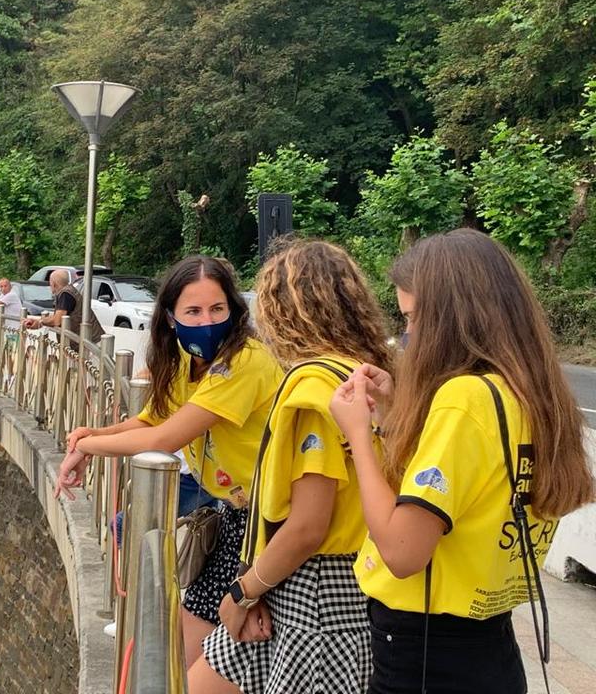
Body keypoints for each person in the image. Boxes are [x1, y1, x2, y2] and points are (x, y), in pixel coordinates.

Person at [329, 229, 594, 694]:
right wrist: (391, 415)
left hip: (425, 653)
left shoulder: (464, 399)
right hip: (491, 643)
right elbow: (467, 494)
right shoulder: (534, 394)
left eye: (413, 319)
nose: (407, 336)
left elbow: (402, 551)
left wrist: (359, 436)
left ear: (451, 319)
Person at [190, 240, 394, 694]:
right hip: (329, 578)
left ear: (283, 312)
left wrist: (243, 591)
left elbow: (307, 526)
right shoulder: (366, 377)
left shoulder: (314, 389)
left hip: (316, 591)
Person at [60, 255, 282, 666]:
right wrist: (92, 435)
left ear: (234, 310)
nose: (206, 321)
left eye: (217, 309)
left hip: (268, 522)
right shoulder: (188, 360)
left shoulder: (243, 361)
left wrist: (88, 449)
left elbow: (166, 438)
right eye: (193, 311)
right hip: (235, 515)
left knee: (198, 659)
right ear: (170, 317)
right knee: (180, 651)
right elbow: (153, 418)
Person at [25, 269, 103, 349]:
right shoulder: (69, 291)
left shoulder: (65, 294)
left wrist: (40, 322)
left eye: (50, 283)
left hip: (91, 344)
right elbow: (58, 316)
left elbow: (57, 320)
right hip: (91, 341)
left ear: (54, 283)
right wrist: (38, 321)